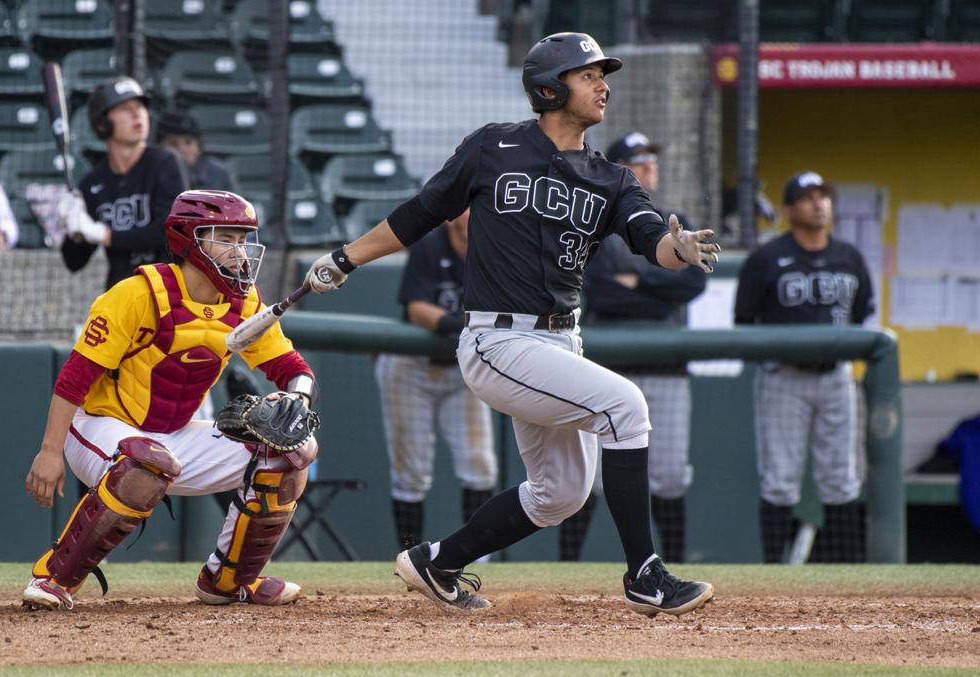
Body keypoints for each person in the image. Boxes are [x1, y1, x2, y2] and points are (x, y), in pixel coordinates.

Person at [301, 33, 719, 616]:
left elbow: (654, 243)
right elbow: (421, 212)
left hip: (559, 344)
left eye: (603, 74)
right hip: (499, 338)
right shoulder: (492, 147)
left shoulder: (613, 178)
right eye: (587, 74)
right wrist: (346, 258)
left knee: (561, 495)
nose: (603, 84)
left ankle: (438, 560)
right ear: (550, 88)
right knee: (627, 408)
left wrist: (679, 246)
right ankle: (645, 575)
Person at [22, 189, 320, 610]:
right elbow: (73, 378)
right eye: (226, 238)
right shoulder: (137, 294)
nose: (240, 251)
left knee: (292, 452)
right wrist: (50, 452)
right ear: (189, 240)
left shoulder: (244, 302)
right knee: (146, 463)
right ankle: (54, 578)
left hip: (172, 436)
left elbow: (292, 367)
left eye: (243, 239)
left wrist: (299, 399)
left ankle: (229, 580)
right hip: (101, 426)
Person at [560, 131, 707, 563]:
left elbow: (694, 281)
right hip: (611, 367)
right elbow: (603, 293)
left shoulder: (674, 222)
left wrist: (641, 280)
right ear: (621, 170)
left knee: (669, 476)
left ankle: (672, 564)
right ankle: (566, 568)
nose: (649, 168)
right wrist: (665, 286)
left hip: (666, 368)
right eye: (639, 161)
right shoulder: (598, 224)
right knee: (592, 478)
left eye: (651, 161)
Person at [735, 171, 874, 564]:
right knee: (780, 480)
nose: (819, 203)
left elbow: (862, 314)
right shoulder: (766, 257)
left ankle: (848, 568)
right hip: (784, 377)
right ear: (789, 209)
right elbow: (744, 319)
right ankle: (775, 570)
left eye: (824, 196)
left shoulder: (849, 256)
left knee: (842, 479)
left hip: (836, 376)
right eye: (809, 197)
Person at [375, 208, 498, 551]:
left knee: (480, 465)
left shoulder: (497, 247)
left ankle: (477, 558)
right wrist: (464, 324)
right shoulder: (431, 246)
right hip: (411, 367)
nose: (478, 214)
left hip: (463, 368)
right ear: (453, 216)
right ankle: (409, 553)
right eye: (470, 207)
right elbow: (417, 309)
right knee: (411, 472)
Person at [57, 77, 187, 290]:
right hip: (121, 296)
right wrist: (75, 231)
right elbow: (74, 262)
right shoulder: (93, 184)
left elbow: (171, 233)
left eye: (140, 106)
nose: (137, 114)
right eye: (126, 108)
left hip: (168, 292)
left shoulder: (164, 163)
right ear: (102, 124)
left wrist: (106, 236)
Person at [156, 111, 234, 192]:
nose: (182, 149)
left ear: (199, 147)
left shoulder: (218, 173)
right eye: (173, 143)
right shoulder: (152, 172)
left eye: (188, 143)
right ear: (159, 147)